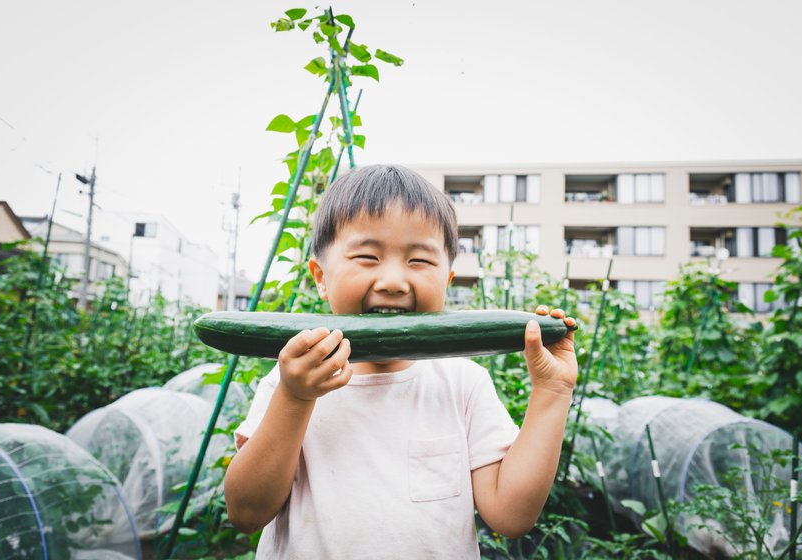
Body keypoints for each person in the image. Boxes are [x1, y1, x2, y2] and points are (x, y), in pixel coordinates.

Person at [226, 164, 578, 558]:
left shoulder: (463, 382)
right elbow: (246, 512)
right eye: (367, 256)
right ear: (321, 277)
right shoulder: (292, 380)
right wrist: (294, 399)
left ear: (447, 281)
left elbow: (511, 516)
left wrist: (553, 391)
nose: (393, 280)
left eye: (419, 261)